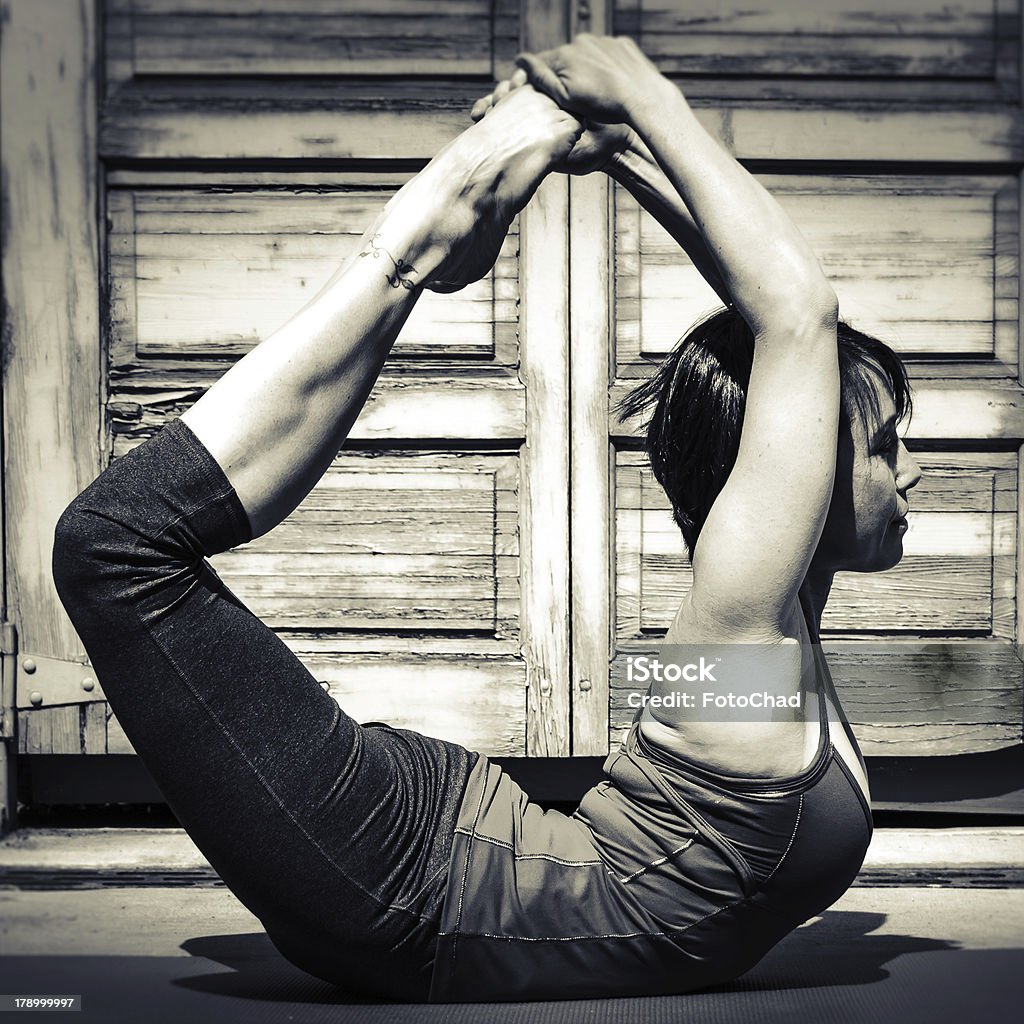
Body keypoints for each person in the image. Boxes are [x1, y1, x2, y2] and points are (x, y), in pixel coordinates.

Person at [52, 35, 921, 1003]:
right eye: (885, 443)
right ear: (795, 466)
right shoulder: (740, 631)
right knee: (114, 543)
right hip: (403, 887)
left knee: (119, 546)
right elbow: (794, 314)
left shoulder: (766, 639)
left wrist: (620, 149)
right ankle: (405, 250)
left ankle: (426, 241)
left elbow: (782, 323)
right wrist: (636, 92)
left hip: (444, 847)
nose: (913, 473)